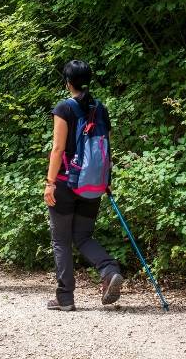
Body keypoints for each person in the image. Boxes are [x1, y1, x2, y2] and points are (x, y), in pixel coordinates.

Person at [43, 60, 123, 311]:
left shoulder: (64, 108)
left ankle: (65, 297)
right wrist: (105, 180)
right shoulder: (100, 108)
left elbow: (57, 148)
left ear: (68, 83)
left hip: (67, 183)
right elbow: (107, 147)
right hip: (93, 184)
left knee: (61, 240)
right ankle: (109, 270)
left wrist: (50, 182)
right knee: (83, 236)